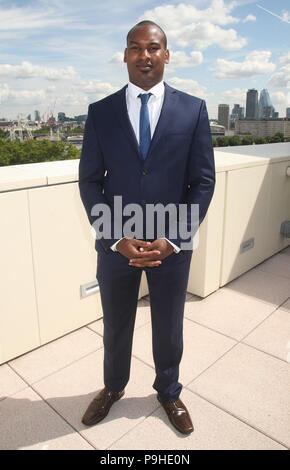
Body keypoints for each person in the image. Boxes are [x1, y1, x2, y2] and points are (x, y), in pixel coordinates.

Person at [78, 20, 215, 435]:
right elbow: (90, 181)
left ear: (166, 54)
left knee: (169, 323)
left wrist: (173, 239)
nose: (144, 55)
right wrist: (115, 238)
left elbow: (203, 182)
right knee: (116, 323)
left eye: (153, 47)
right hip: (117, 245)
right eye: (135, 48)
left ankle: (168, 391)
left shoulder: (193, 110)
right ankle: (113, 387)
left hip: (169, 245)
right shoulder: (100, 113)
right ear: (125, 55)